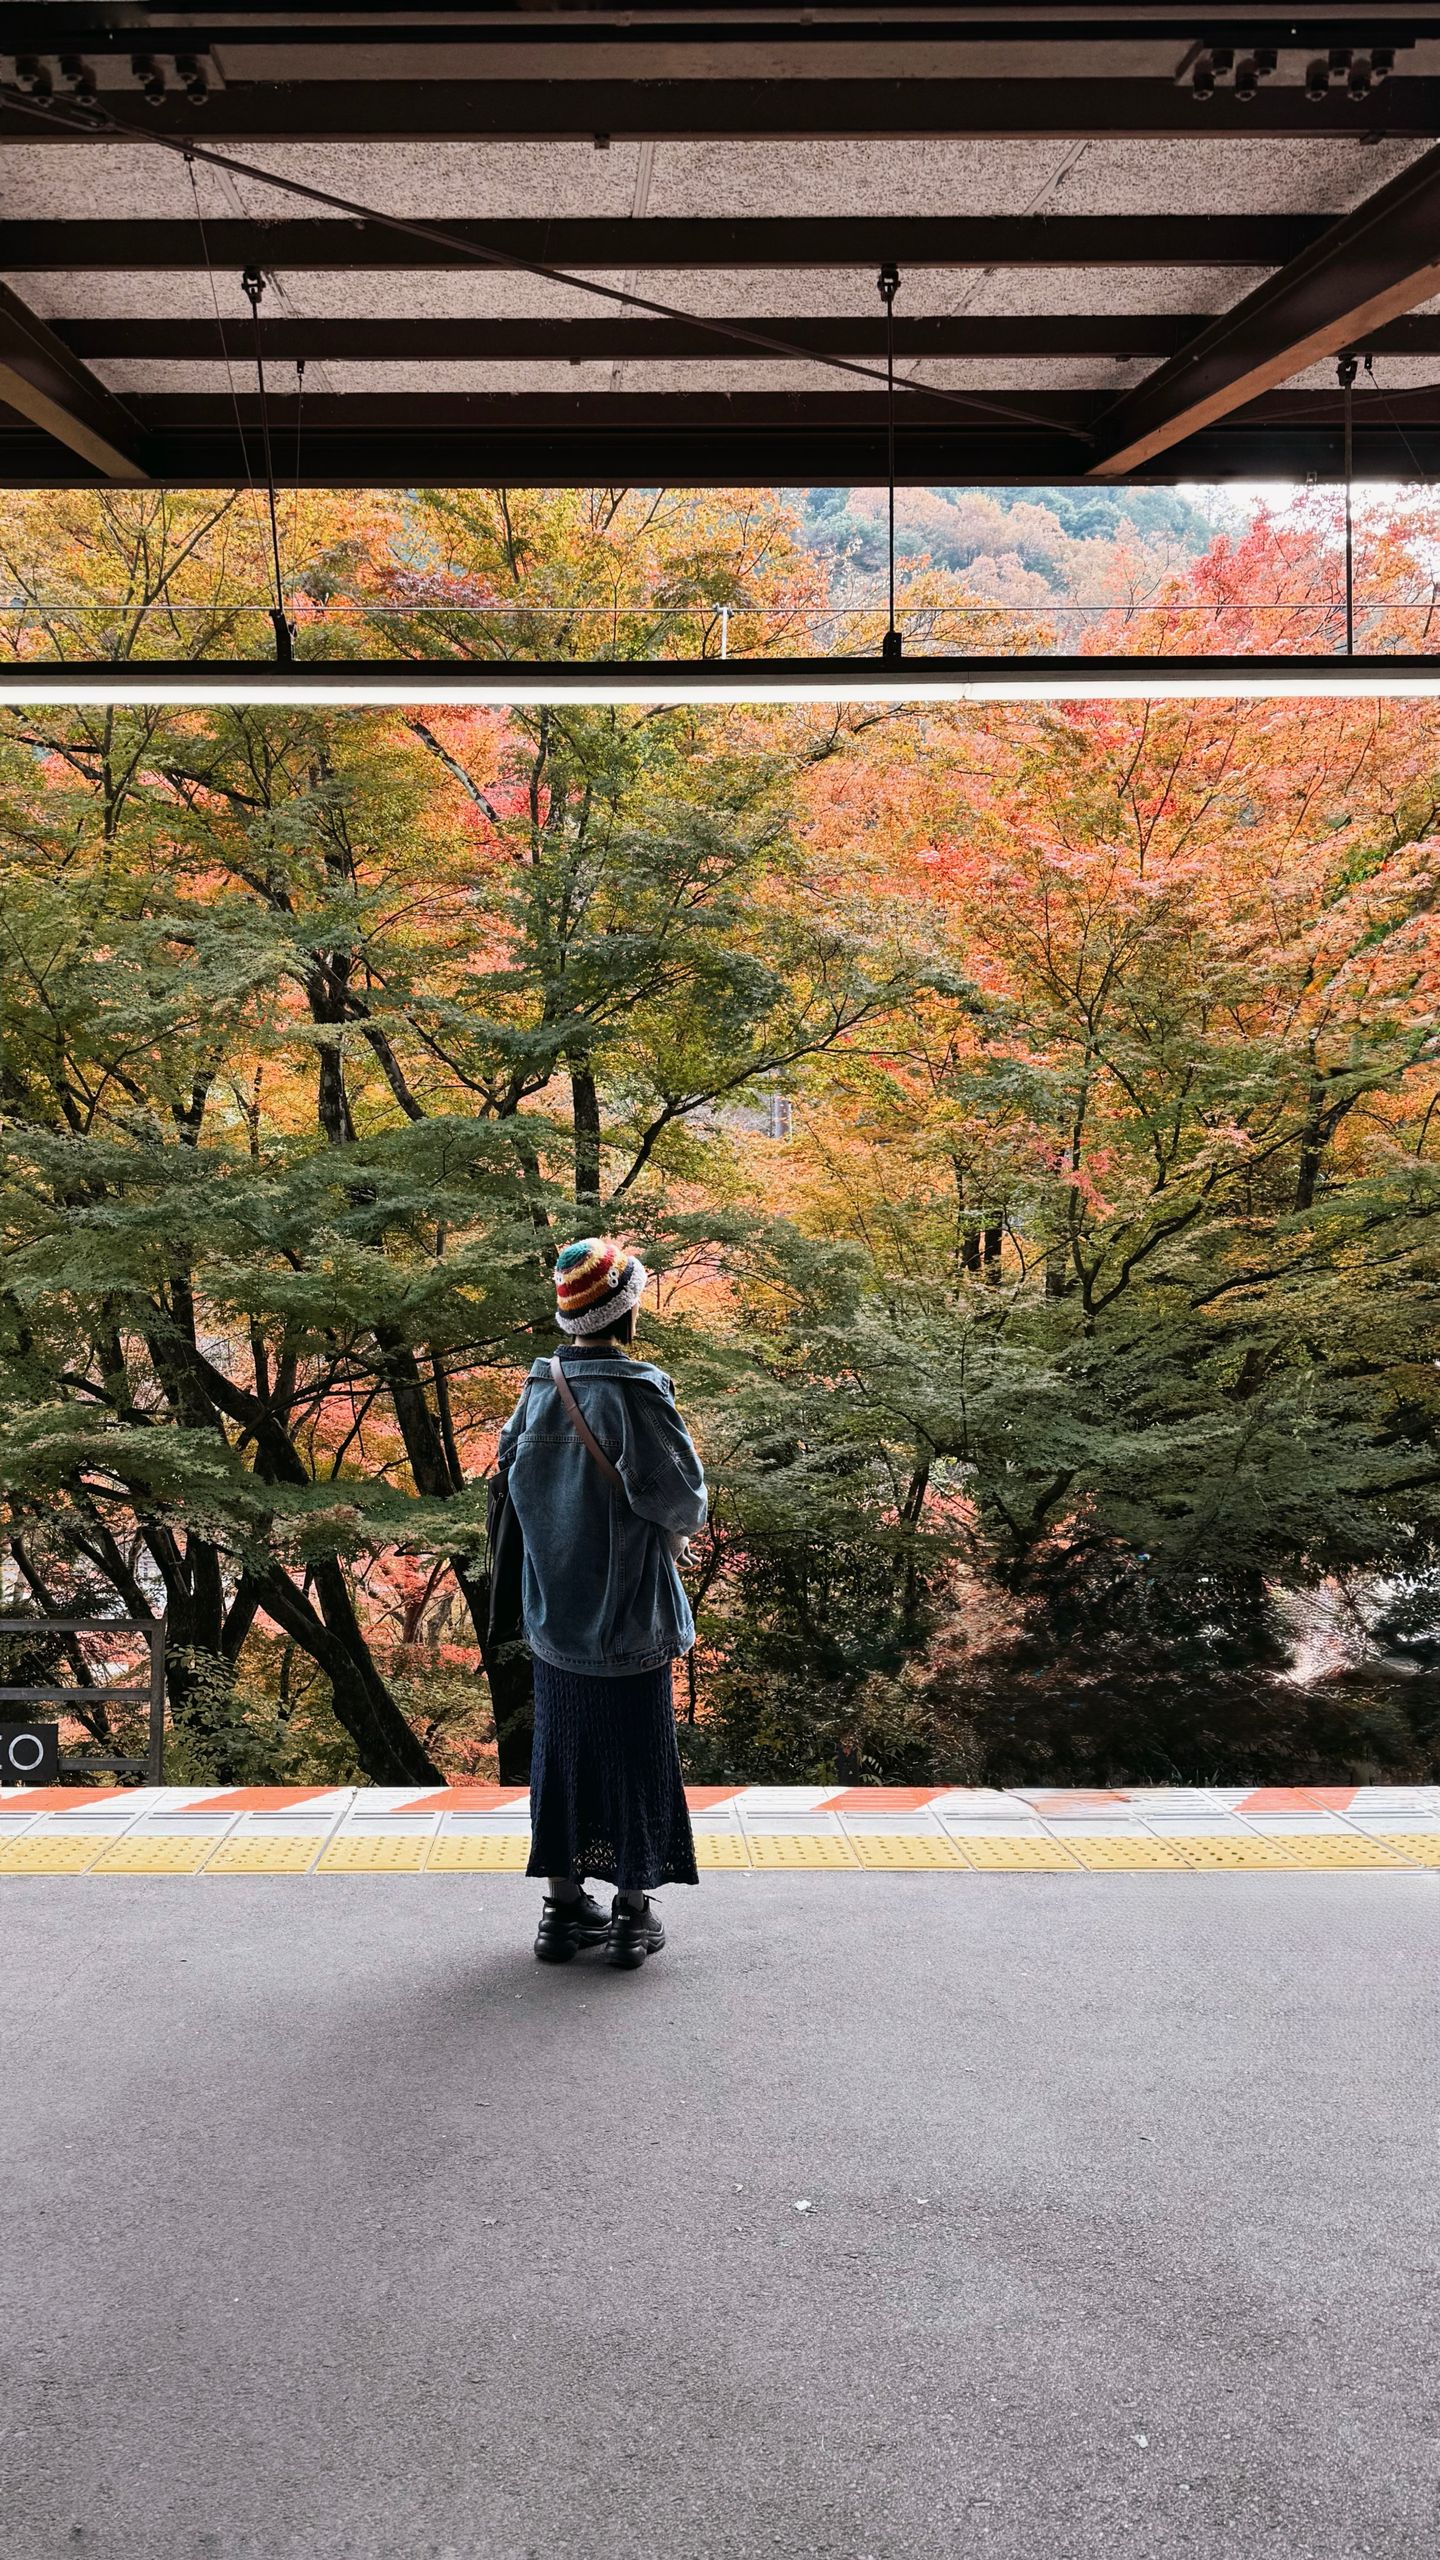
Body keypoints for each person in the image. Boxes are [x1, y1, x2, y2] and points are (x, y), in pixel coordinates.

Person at [495, 1239, 708, 1970]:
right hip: (630, 1618)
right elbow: (683, 1502)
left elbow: (511, 1481)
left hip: (553, 1615)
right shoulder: (636, 1393)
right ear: (628, 1308)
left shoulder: (537, 1389)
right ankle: (630, 1918)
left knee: (560, 1756)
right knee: (634, 1758)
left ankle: (561, 1912)